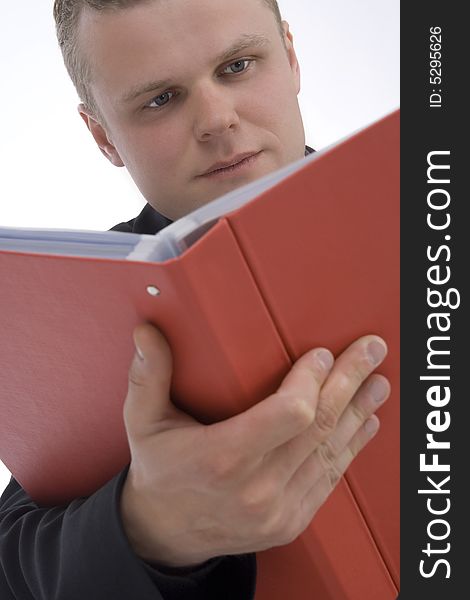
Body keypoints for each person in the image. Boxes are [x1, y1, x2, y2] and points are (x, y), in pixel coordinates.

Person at [0, 1, 391, 598]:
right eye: (160, 99)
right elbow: (13, 563)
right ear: (103, 135)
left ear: (290, 56)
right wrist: (149, 530)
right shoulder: (85, 300)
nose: (217, 119)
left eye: (237, 66)